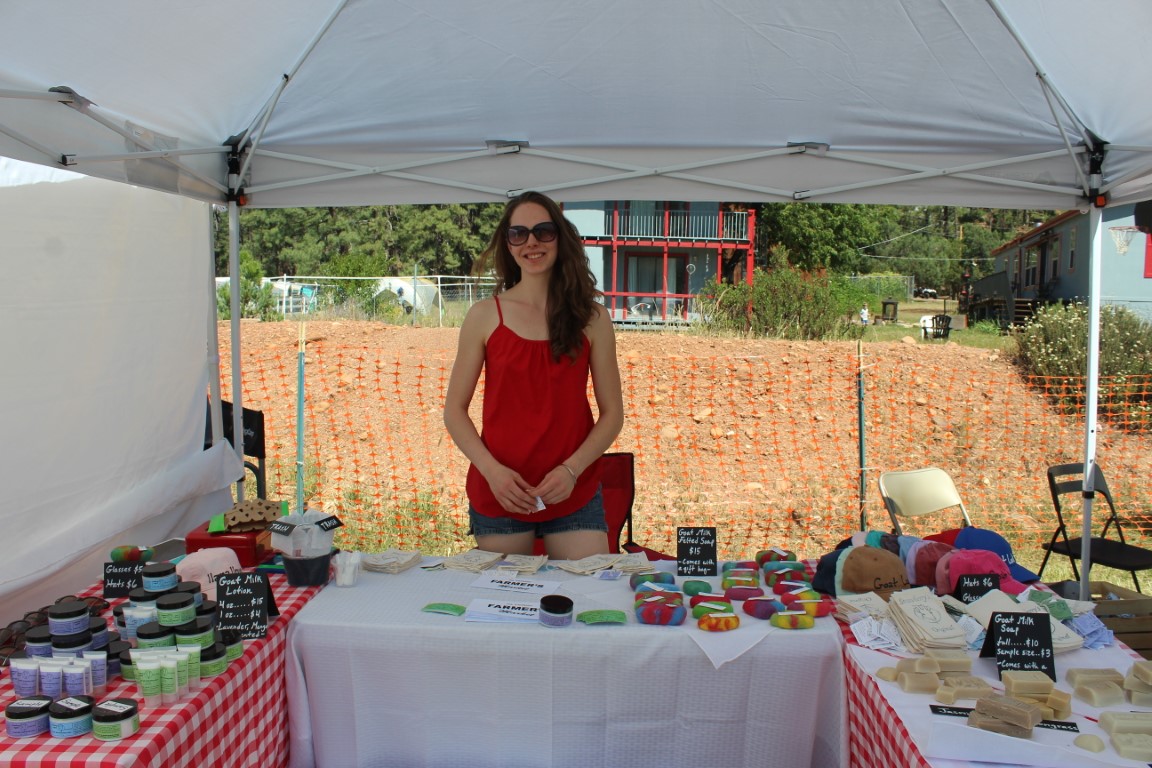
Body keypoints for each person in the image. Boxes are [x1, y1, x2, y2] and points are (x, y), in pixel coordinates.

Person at [443, 191, 624, 560]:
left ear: (560, 237)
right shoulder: (484, 316)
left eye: (543, 231)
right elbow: (454, 412)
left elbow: (613, 415)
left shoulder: (593, 318)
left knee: (586, 591)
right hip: (502, 492)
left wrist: (571, 471)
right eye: (519, 234)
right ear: (508, 244)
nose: (531, 242)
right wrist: (492, 472)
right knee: (504, 597)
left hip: (573, 490)